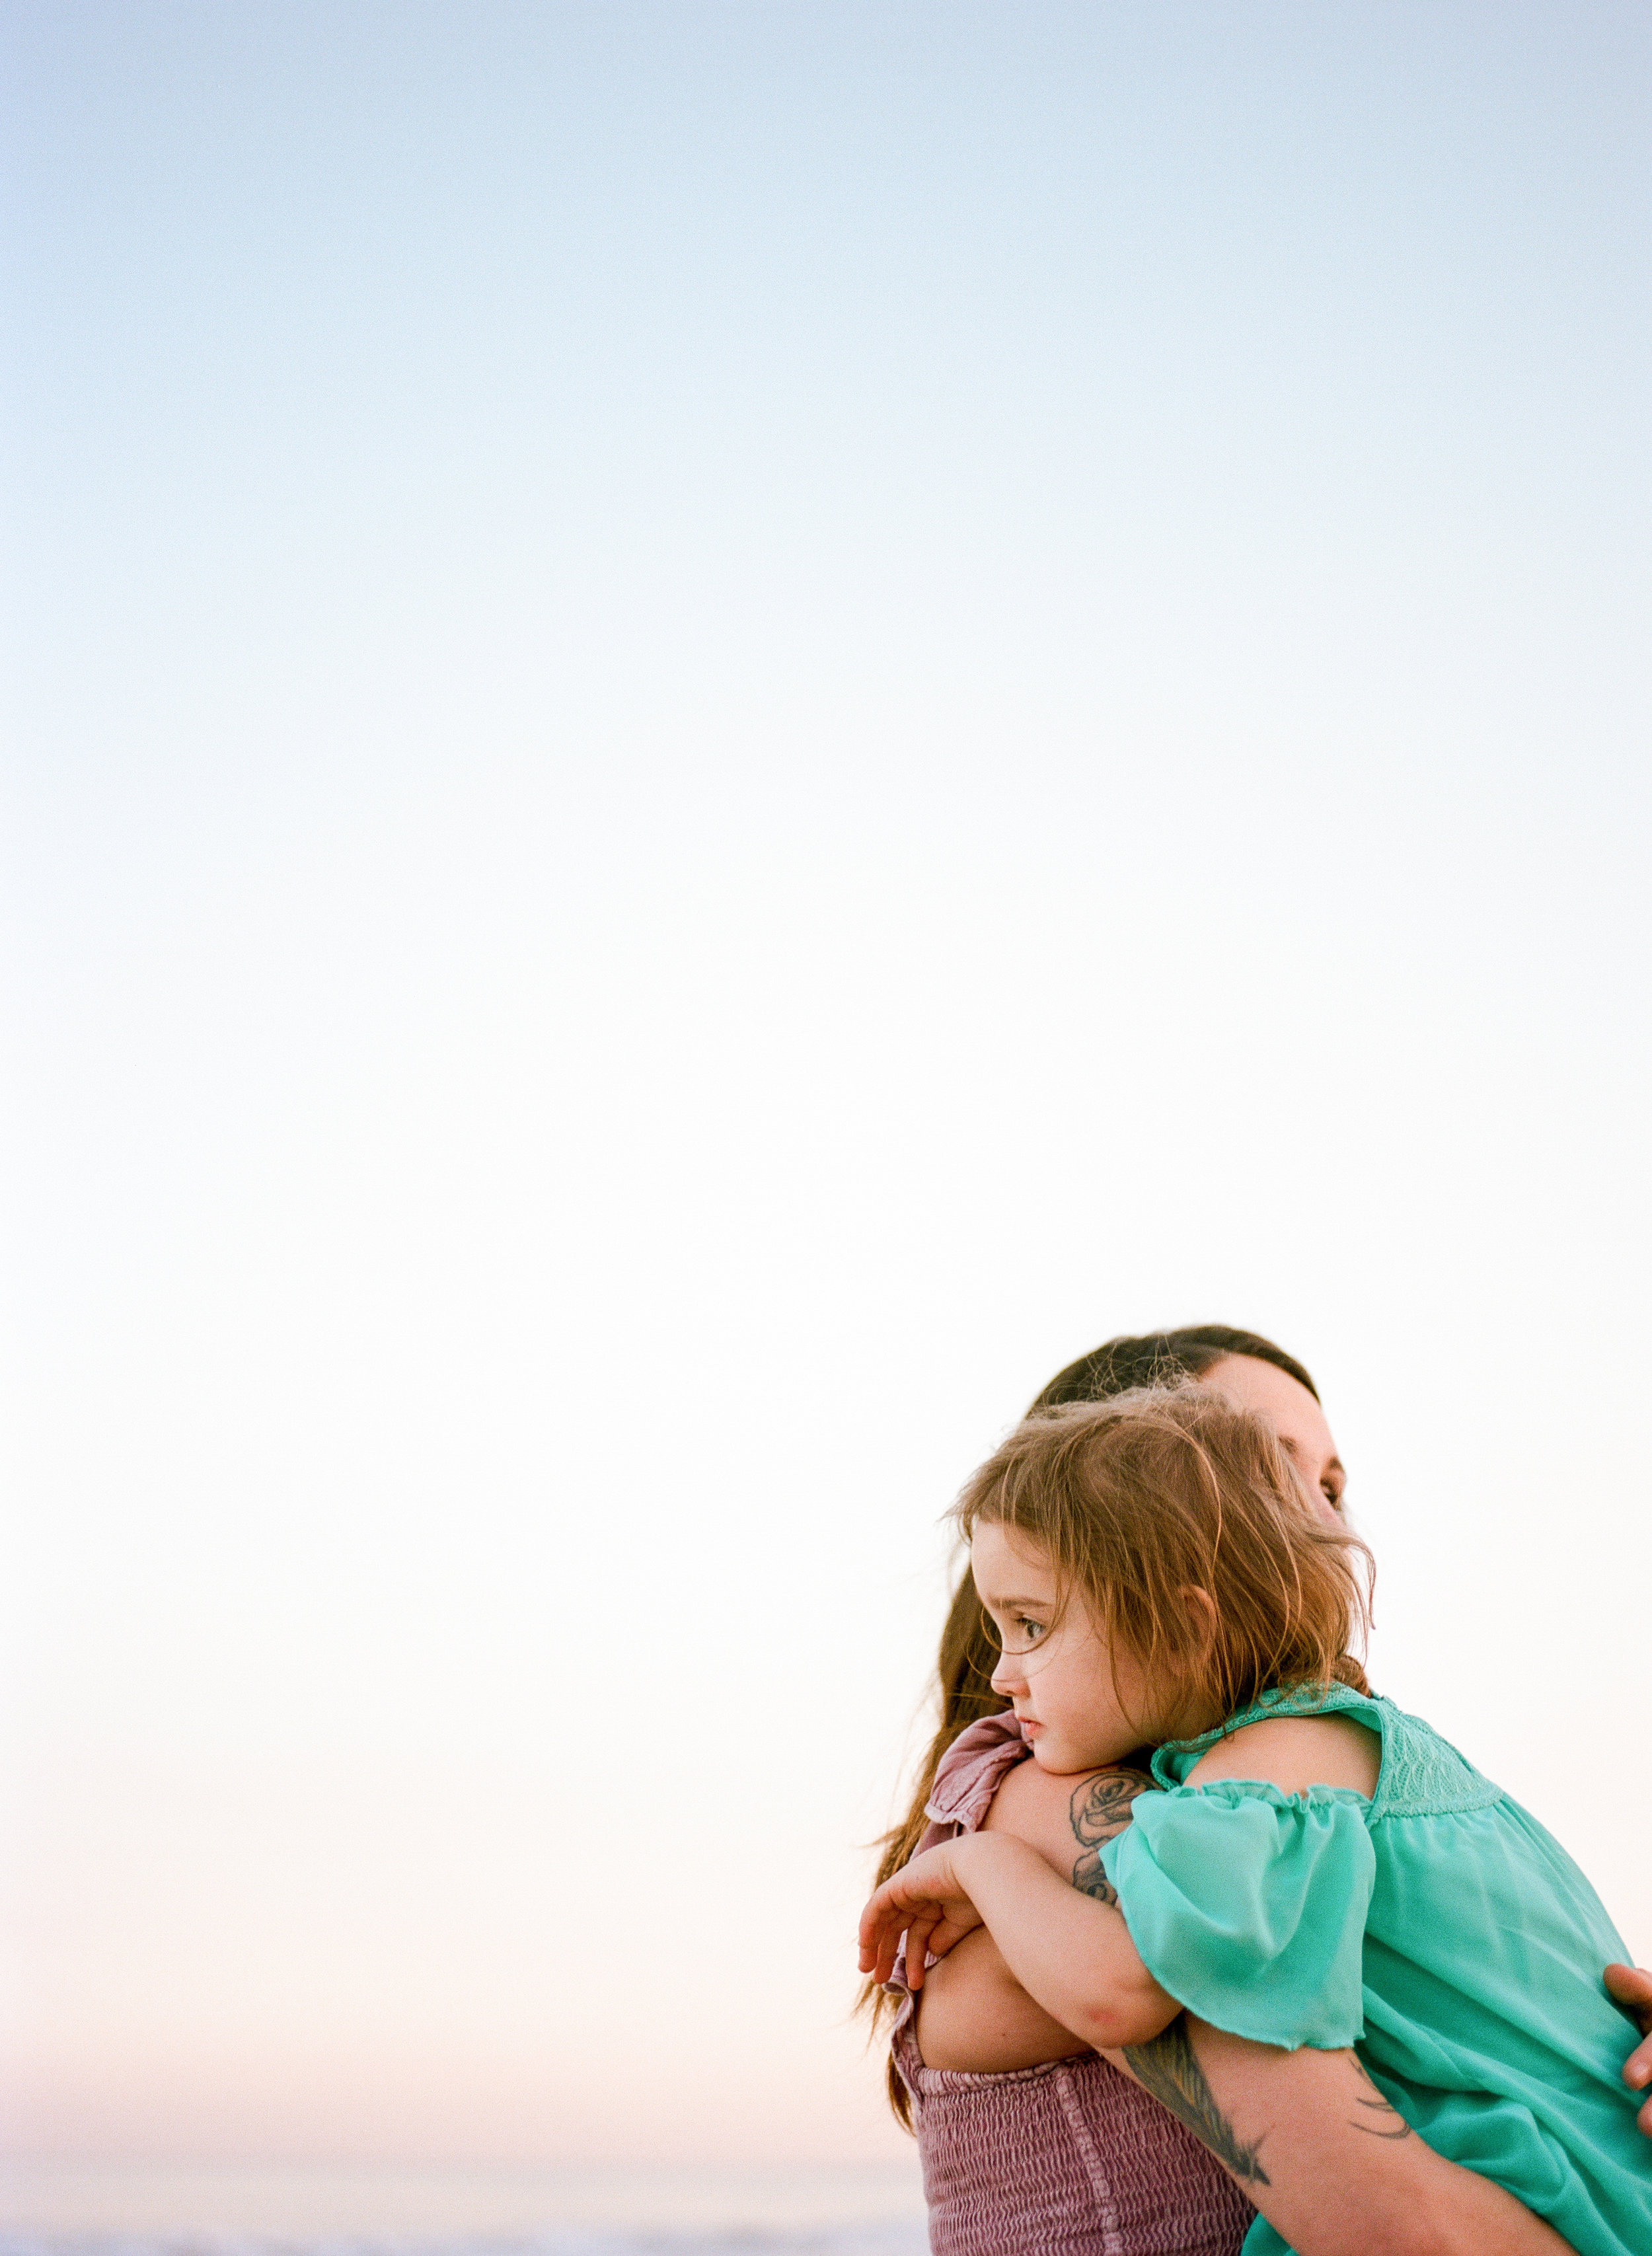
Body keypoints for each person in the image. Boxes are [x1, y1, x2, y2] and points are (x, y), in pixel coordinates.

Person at [860, 1329, 1652, 2256]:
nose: (1316, 1525)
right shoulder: (1068, 1804)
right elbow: (1397, 2228)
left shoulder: (1286, 1787)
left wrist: (1597, 2051)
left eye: (1327, 1488)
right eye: (1271, 1473)